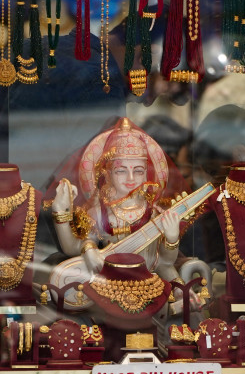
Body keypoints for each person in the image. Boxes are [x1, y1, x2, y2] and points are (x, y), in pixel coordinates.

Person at [49, 117, 182, 282]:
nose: (131, 178)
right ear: (107, 174)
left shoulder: (154, 213)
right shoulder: (99, 212)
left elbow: (164, 263)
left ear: (146, 175)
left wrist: (171, 239)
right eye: (121, 171)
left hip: (149, 285)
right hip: (109, 285)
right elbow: (73, 248)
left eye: (138, 171)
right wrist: (62, 213)